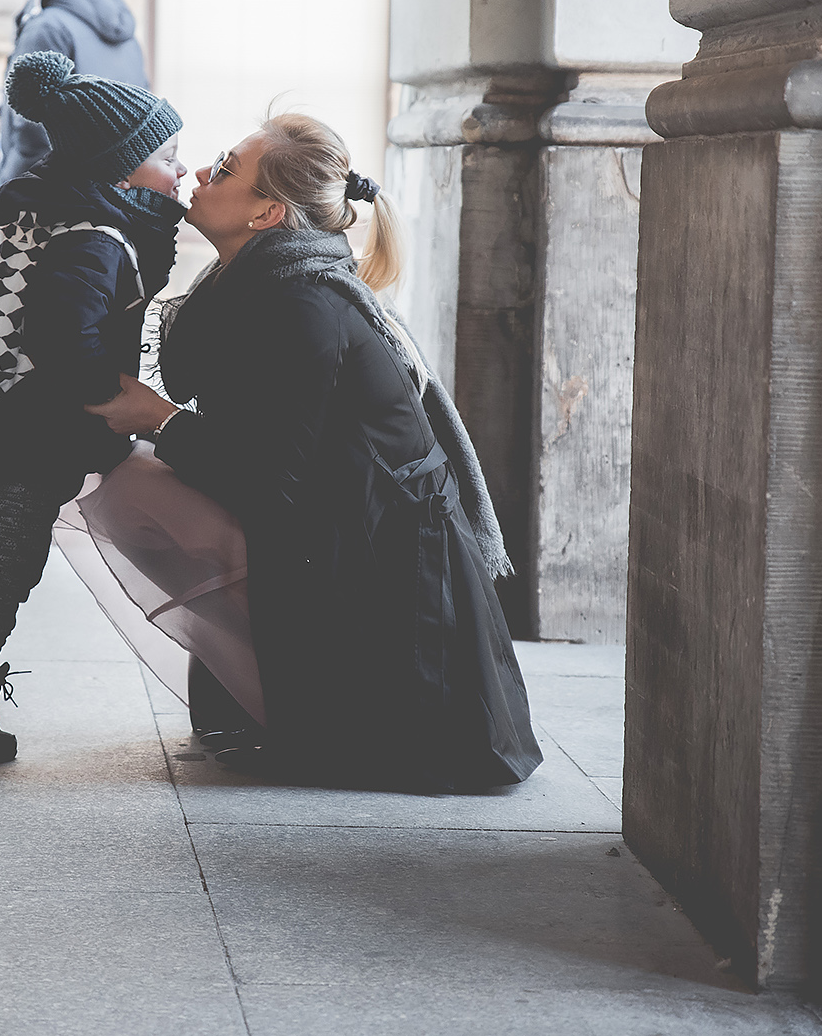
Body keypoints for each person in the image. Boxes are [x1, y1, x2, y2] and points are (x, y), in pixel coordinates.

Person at [83, 114, 543, 793]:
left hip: (390, 580)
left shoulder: (299, 302)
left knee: (134, 490)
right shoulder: (257, 281)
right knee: (140, 484)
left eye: (226, 168)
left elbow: (268, 479)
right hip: (344, 529)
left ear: (267, 213)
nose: (203, 175)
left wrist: (161, 419)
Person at [0, 50, 187, 763]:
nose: (182, 170)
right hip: (36, 432)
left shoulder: (59, 216)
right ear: (122, 167)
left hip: (8, 423)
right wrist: (105, 397)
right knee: (11, 556)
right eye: (169, 156)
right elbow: (63, 334)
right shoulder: (93, 238)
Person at [0, 0, 149, 217]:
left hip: (52, 215)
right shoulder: (116, 24)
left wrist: (4, 204)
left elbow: (32, 134)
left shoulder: (47, 27)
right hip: (113, 209)